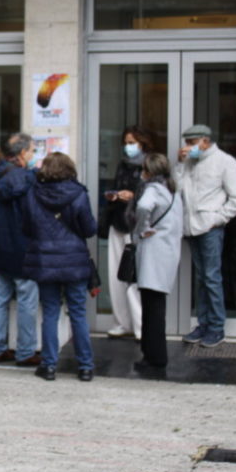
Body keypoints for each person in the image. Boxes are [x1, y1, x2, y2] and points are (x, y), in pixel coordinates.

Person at [22, 152, 97, 382]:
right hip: (74, 261)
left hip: (45, 261)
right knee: (78, 313)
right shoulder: (79, 194)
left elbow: (26, 227)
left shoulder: (33, 193)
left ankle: (49, 365)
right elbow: (89, 229)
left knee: (51, 313)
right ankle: (85, 367)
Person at [174, 124, 236, 349]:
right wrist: (180, 164)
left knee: (212, 278)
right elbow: (176, 189)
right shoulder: (189, 163)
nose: (188, 148)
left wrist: (216, 219)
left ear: (205, 142)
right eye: (186, 143)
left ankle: (216, 328)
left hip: (209, 228)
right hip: (191, 227)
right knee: (201, 278)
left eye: (191, 143)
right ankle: (203, 325)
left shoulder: (225, 162)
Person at [0, 133, 40, 367]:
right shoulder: (27, 179)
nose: (33, 155)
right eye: (32, 150)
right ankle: (25, 352)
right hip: (23, 247)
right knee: (27, 300)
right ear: (23, 153)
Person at [99, 125, 157, 340]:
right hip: (118, 221)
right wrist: (115, 196)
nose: (128, 146)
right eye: (126, 142)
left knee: (134, 277)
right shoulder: (122, 165)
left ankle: (141, 326)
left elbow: (156, 193)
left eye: (132, 142)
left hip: (137, 226)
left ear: (143, 142)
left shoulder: (151, 165)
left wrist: (132, 195)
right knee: (117, 276)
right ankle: (121, 322)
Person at [132, 153, 183, 374]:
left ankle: (154, 356)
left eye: (143, 169)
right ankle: (154, 354)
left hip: (153, 253)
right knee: (156, 305)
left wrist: (143, 228)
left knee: (152, 309)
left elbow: (143, 207)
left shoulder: (152, 189)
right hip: (169, 252)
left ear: (149, 171)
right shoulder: (172, 190)